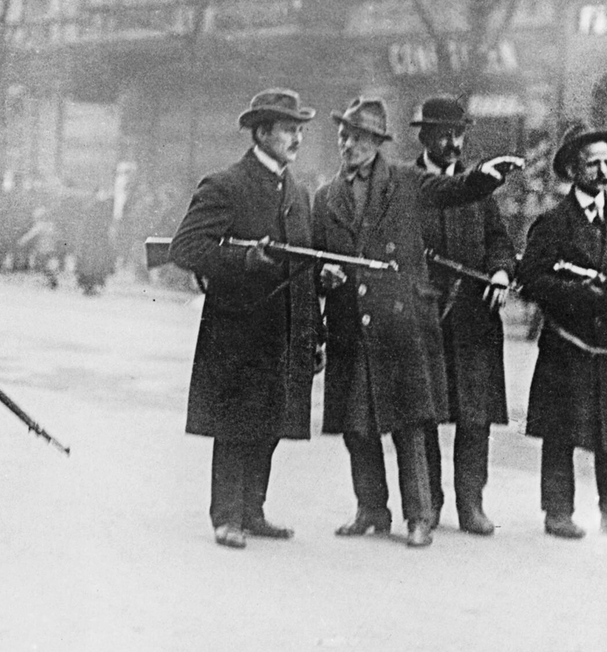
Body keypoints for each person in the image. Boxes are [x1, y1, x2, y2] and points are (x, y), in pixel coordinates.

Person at [311, 97, 516, 548]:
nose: (350, 145)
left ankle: (421, 515)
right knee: (356, 425)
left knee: (411, 421)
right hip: (351, 319)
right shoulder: (325, 198)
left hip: (399, 319)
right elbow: (314, 259)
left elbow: (451, 190)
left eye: (360, 138)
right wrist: (322, 280)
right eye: (345, 137)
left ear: (378, 143)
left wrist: (485, 176)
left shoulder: (404, 181)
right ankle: (370, 509)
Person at [168, 89, 323, 549]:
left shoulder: (297, 192)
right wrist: (244, 261)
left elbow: (304, 268)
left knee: (271, 422)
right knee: (235, 425)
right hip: (238, 328)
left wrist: (315, 332)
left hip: (284, 330)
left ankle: (253, 511)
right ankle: (226, 515)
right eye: (288, 128)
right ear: (262, 132)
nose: (296, 138)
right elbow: (185, 249)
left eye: (299, 129)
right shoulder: (225, 185)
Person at [517, 124, 607, 541]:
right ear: (573, 169)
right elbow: (532, 282)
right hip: (568, 342)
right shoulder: (551, 224)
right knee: (561, 431)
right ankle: (557, 512)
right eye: (593, 163)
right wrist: (580, 293)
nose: (602, 172)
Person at [409, 94, 517, 535]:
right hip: (425, 315)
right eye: (444, 136)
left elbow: (499, 241)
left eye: (459, 135)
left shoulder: (481, 189)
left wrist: (500, 272)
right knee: (427, 413)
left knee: (475, 415)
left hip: (474, 317)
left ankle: (471, 504)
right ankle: (429, 503)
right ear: (425, 136)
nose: (454, 144)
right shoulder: (406, 184)